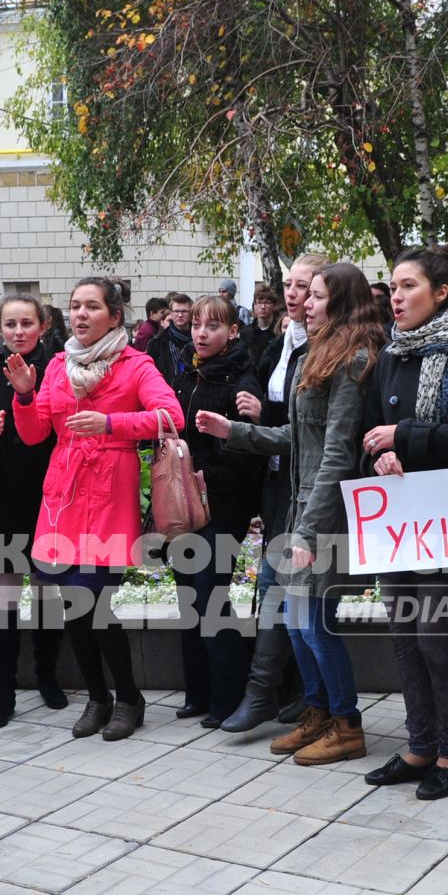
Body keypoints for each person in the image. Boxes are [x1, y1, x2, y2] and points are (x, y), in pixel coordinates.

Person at [200, 261, 372, 765]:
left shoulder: (354, 360)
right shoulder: (315, 353)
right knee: (294, 622)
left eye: (316, 295)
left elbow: (338, 455)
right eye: (306, 294)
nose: (306, 303)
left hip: (321, 517)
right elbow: (300, 440)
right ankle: (317, 711)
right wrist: (233, 431)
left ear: (341, 302)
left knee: (315, 623)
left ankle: (347, 723)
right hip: (293, 511)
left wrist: (308, 529)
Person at [8, 278, 182, 740]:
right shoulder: (58, 366)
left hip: (108, 492)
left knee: (95, 601)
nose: (81, 314)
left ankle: (128, 698)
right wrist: (25, 395)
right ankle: (98, 698)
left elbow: (171, 416)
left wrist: (110, 423)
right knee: (72, 606)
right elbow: (32, 434)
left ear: (115, 316)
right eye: (75, 307)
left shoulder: (135, 364)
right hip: (62, 494)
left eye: (91, 306)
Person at [358, 247, 448, 800]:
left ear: (441, 293)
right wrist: (381, 454)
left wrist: (405, 438)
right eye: (392, 286)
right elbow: (371, 430)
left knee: (434, 636)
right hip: (398, 515)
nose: (395, 296)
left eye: (408, 286)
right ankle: (418, 746)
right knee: (403, 633)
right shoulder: (391, 352)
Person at [221, 254, 326, 733]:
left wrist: (259, 416)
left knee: (293, 589)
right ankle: (283, 692)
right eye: (288, 284)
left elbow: (311, 431)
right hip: (279, 477)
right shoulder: (286, 340)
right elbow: (278, 412)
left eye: (303, 286)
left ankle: (300, 696)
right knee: (274, 585)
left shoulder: (333, 348)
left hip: (312, 485)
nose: (292, 293)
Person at [0, 294, 67, 728]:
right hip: (2, 502)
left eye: (27, 323)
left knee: (46, 593)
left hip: (47, 501)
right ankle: (3, 689)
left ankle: (47, 676)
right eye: (10, 324)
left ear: (42, 326)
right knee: (4, 598)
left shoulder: (58, 373)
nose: (19, 331)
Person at [169, 295, 265, 726]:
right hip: (185, 502)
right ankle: (199, 692)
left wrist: (211, 458)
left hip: (223, 504)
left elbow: (250, 450)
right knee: (190, 597)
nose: (201, 333)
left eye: (213, 326)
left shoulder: (243, 378)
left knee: (211, 598)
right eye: (196, 325)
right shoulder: (188, 372)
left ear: (232, 332)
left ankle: (229, 696)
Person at [148, 292, 194, 382]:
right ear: (171, 313)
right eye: (176, 311)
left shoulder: (199, 340)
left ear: (191, 313)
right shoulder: (156, 343)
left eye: (184, 311)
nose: (180, 315)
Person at [242, 283, 282, 372]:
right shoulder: (245, 333)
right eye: (259, 303)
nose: (263, 307)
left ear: (274, 306)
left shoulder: (279, 332)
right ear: (254, 306)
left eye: (267, 303)